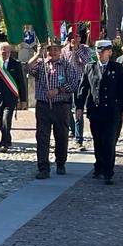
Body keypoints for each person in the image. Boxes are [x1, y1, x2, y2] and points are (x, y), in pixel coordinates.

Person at [76, 40, 123, 184]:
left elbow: (122, 90)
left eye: (103, 51)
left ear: (110, 52)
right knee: (98, 141)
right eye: (98, 52)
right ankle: (98, 166)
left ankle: (108, 172)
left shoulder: (116, 68)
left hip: (112, 111)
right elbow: (83, 88)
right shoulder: (90, 67)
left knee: (110, 141)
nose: (100, 54)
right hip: (96, 110)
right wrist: (79, 107)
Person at [27, 38, 77, 179]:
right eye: (50, 49)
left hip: (61, 106)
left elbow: (73, 84)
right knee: (42, 137)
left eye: (56, 49)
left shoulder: (67, 65)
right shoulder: (41, 65)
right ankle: (43, 167)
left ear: (60, 51)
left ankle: (60, 163)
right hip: (43, 106)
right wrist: (37, 54)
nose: (53, 52)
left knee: (61, 136)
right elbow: (28, 67)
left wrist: (58, 90)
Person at [0, 41, 26, 152]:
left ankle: (3, 143)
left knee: (6, 119)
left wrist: (23, 99)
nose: (5, 53)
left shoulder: (16, 64)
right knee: (1, 121)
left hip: (11, 97)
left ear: (10, 52)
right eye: (3, 51)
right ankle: (8, 137)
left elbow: (21, 82)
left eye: (7, 51)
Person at [62, 27, 93, 150]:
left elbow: (86, 61)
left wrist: (77, 50)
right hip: (68, 83)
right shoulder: (64, 50)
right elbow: (62, 66)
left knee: (78, 110)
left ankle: (79, 139)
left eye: (78, 36)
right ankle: (73, 130)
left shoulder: (85, 49)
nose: (76, 38)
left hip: (80, 83)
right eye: (73, 36)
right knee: (67, 109)